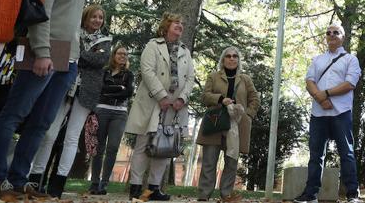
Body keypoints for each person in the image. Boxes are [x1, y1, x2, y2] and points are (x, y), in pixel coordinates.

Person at [0, 0, 96, 200]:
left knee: (42, 123)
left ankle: (19, 180)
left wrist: (74, 62)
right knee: (14, 114)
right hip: (43, 51)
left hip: (68, 60)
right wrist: (44, 53)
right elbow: (39, 15)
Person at [28, 4, 111, 197]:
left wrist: (77, 54)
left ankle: (58, 183)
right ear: (85, 18)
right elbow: (64, 53)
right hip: (64, 86)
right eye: (93, 17)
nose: (97, 20)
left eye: (100, 17)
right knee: (49, 133)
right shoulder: (74, 33)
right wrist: (85, 56)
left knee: (72, 138)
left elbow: (101, 60)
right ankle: (36, 177)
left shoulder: (105, 40)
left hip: (87, 92)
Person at [125, 13, 195, 201]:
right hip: (152, 102)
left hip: (175, 107)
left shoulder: (185, 50)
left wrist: (182, 98)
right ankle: (136, 187)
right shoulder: (153, 45)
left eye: (182, 23)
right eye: (176, 22)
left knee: (166, 146)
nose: (180, 25)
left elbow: (190, 78)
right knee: (143, 144)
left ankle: (154, 188)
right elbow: (146, 70)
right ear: (166, 25)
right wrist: (161, 96)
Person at [294, 24, 362, 203]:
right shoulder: (317, 60)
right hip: (319, 113)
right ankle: (310, 195)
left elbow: (350, 84)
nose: (331, 35)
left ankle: (352, 194)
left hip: (342, 113)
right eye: (328, 33)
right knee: (316, 155)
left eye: (336, 32)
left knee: (346, 153)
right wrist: (320, 98)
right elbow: (309, 81)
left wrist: (327, 93)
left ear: (343, 36)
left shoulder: (350, 59)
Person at [196, 46, 260, 202]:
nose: (232, 58)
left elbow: (255, 99)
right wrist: (220, 99)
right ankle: (204, 195)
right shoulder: (213, 76)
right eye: (228, 56)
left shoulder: (245, 79)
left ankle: (226, 195)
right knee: (209, 161)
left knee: (231, 162)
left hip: (236, 126)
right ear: (223, 59)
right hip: (215, 123)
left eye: (235, 56)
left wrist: (248, 115)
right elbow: (204, 96)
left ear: (238, 60)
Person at [89, 45, 134, 195]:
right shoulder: (104, 71)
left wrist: (113, 90)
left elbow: (128, 93)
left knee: (113, 148)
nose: (123, 56)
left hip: (120, 113)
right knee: (99, 148)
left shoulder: (129, 74)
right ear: (114, 55)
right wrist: (118, 89)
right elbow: (98, 88)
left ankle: (104, 183)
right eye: (120, 53)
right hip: (101, 110)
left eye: (126, 54)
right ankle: (94, 182)